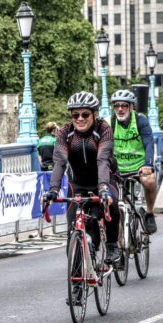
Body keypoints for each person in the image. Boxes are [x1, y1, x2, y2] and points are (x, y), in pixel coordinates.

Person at [43, 91, 121, 266]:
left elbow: (102, 159)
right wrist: (53, 190)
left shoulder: (103, 129)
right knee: (73, 230)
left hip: (104, 178)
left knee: (112, 204)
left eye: (85, 114)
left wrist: (103, 188)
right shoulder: (64, 132)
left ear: (94, 114)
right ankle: (77, 275)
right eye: (75, 115)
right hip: (77, 183)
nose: (80, 119)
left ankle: (112, 245)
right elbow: (60, 162)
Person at [108, 89, 158, 234]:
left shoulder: (141, 120)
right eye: (117, 105)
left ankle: (149, 213)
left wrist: (148, 164)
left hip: (139, 167)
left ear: (131, 107)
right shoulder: (109, 122)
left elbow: (149, 143)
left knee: (149, 181)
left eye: (124, 105)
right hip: (118, 169)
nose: (120, 109)